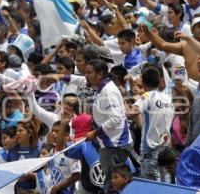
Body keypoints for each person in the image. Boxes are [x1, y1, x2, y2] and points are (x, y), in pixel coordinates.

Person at [85, 60, 133, 192]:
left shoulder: (108, 91)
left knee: (112, 186)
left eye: (89, 72)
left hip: (114, 145)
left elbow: (116, 118)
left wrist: (96, 132)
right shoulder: (104, 88)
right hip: (111, 144)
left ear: (100, 74)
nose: (86, 76)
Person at [126, 65, 174, 181]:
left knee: (153, 188)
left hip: (150, 151)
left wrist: (123, 109)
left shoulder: (147, 96)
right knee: (165, 186)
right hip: (166, 150)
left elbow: (132, 113)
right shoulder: (168, 98)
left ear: (142, 81)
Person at [139, 17, 200, 81]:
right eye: (199, 26)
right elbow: (163, 45)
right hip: (192, 87)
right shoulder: (185, 46)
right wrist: (147, 32)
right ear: (192, 30)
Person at [48, 120, 81, 194]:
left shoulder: (72, 151)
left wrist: (58, 187)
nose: (53, 133)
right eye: (52, 131)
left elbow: (76, 175)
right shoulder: (51, 152)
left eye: (57, 131)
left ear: (66, 135)